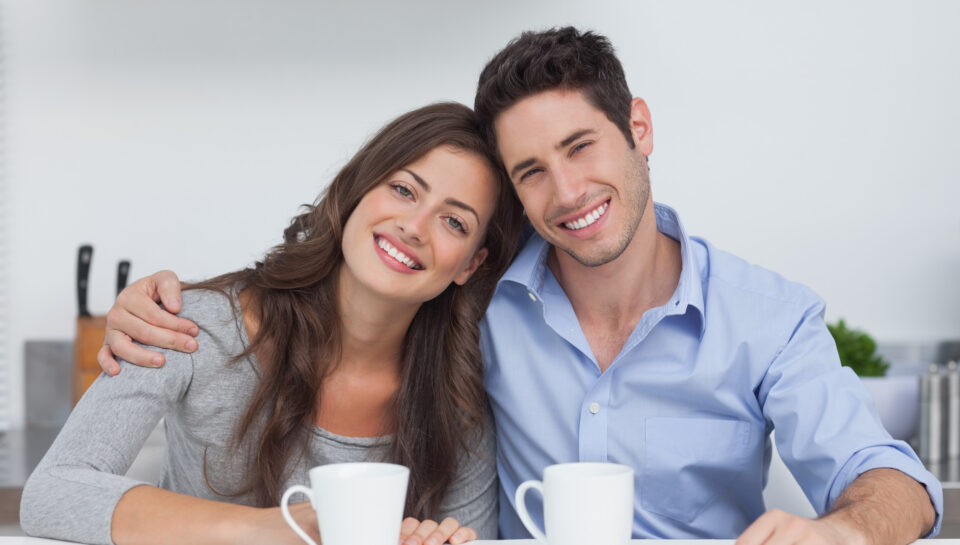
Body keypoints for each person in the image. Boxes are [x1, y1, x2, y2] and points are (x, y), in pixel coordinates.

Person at [96, 28, 942, 544]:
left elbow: (891, 477)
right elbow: (343, 298)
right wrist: (175, 304)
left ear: (638, 129)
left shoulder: (768, 317)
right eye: (531, 170)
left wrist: (845, 531)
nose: (566, 193)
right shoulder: (470, 298)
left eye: (582, 147)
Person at [20, 102, 525, 545]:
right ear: (356, 189)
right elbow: (52, 491)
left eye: (453, 221)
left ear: (469, 265)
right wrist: (268, 530)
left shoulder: (459, 403)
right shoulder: (192, 324)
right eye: (403, 189)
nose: (414, 228)